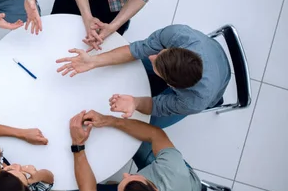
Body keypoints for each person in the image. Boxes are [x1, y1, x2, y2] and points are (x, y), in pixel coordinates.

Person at [55, 24, 231, 163]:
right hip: (210, 49)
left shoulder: (193, 101)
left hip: (217, 82)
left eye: (156, 65)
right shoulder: (177, 35)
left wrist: (136, 103)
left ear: (171, 85)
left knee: (146, 123)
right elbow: (137, 50)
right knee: (137, 60)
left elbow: (157, 106)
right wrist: (93, 62)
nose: (152, 57)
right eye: (161, 54)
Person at [66, 110, 201, 191]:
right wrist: (110, 120)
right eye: (133, 176)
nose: (125, 174)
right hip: (188, 188)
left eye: (124, 181)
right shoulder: (172, 169)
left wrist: (77, 143)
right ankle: (119, 187)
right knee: (136, 134)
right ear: (155, 188)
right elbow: (156, 134)